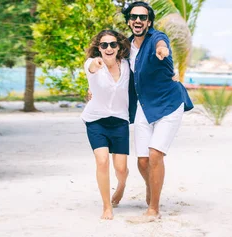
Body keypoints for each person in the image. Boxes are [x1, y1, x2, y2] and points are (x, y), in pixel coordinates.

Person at [122, 1, 194, 221]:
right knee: (142, 161)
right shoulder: (127, 47)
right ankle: (151, 187)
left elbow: (161, 45)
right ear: (129, 21)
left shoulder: (157, 38)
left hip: (169, 103)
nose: (138, 20)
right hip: (145, 106)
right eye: (134, 17)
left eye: (143, 17)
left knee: (155, 155)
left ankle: (154, 209)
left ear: (149, 22)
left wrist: (162, 51)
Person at [81, 29, 132, 220]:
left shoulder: (126, 65)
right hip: (96, 120)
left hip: (119, 121)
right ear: (99, 48)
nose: (108, 48)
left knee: (121, 168)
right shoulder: (92, 64)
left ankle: (121, 186)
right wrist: (96, 63)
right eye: (104, 45)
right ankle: (106, 206)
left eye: (113, 44)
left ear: (118, 47)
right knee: (102, 161)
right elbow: (92, 67)